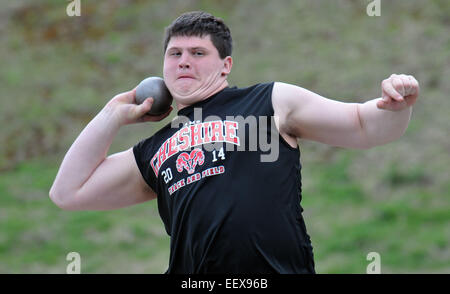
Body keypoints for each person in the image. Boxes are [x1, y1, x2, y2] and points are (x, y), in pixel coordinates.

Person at [49, 11, 420, 274]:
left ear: (225, 65)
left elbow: (363, 126)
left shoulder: (271, 101)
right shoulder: (155, 149)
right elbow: (68, 192)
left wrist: (395, 104)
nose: (183, 62)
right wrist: (112, 114)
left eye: (198, 53)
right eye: (174, 54)